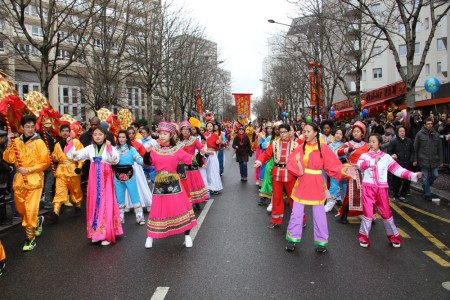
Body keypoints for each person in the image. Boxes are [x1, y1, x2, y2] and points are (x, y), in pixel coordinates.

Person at [285, 123, 355, 253]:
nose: (305, 133)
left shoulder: (323, 148)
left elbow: (333, 165)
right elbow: (291, 162)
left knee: (319, 214)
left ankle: (321, 241)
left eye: (308, 131)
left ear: (316, 132)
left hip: (317, 183)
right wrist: (297, 167)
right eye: (304, 131)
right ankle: (292, 239)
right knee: (297, 213)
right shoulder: (300, 147)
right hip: (302, 182)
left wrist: (345, 170)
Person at [357, 134, 421, 248]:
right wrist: (372, 162)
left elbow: (398, 170)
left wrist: (414, 175)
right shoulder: (364, 155)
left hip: (382, 189)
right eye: (370, 142)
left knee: (386, 213)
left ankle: (393, 237)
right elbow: (360, 166)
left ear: (380, 144)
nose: (371, 144)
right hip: (368, 188)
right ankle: (363, 236)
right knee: (367, 213)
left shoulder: (386, 157)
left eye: (374, 142)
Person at [144, 122, 198, 249]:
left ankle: (187, 236)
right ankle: (150, 237)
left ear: (171, 135)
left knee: (181, 208)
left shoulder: (177, 149)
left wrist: (202, 154)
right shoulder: (154, 149)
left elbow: (190, 159)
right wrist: (146, 152)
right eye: (160, 133)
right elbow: (147, 163)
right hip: (159, 185)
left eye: (165, 134)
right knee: (156, 210)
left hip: (174, 184)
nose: (162, 136)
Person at [3, 116, 50, 251]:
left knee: (30, 210)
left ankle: (30, 238)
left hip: (34, 180)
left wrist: (29, 169)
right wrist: (9, 143)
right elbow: (9, 158)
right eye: (27, 127)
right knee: (21, 209)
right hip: (19, 181)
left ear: (35, 127)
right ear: (22, 128)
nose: (30, 129)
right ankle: (37, 221)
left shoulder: (39, 143)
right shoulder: (16, 141)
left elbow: (45, 162)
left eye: (32, 126)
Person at [73, 126, 122, 246]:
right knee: (95, 203)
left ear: (104, 135)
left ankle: (106, 234)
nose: (98, 136)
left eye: (100, 134)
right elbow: (76, 156)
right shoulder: (90, 148)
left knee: (106, 203)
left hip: (105, 179)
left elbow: (115, 160)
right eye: (95, 134)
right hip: (94, 180)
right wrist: (69, 145)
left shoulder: (109, 147)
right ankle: (96, 233)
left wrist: (110, 148)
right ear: (93, 136)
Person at [254, 124, 298, 229]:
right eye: (280, 132)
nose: (282, 134)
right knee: (277, 197)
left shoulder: (296, 145)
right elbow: (266, 154)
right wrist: (259, 161)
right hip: (277, 173)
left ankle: (300, 219)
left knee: (293, 197)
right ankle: (275, 220)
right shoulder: (274, 144)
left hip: (290, 174)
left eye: (284, 132)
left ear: (289, 132)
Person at [46, 124, 84, 223]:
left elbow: (82, 155)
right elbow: (55, 157)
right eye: (63, 131)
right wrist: (52, 156)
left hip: (73, 171)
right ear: (60, 132)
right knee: (59, 191)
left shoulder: (76, 142)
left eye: (66, 131)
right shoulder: (57, 144)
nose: (65, 133)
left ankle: (78, 206)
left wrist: (79, 167)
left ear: (69, 132)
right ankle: (55, 212)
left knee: (76, 190)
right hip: (61, 171)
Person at [337, 121, 369, 224]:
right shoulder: (348, 144)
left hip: (364, 172)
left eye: (358, 131)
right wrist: (349, 149)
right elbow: (339, 152)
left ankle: (368, 215)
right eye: (354, 131)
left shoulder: (367, 145)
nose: (355, 133)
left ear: (362, 133)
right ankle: (344, 215)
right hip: (352, 171)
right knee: (350, 194)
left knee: (365, 194)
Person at [115, 130, 147, 225]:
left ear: (127, 138)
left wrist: (143, 162)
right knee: (119, 197)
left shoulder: (131, 149)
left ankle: (140, 217)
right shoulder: (114, 149)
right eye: (119, 137)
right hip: (117, 175)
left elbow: (138, 158)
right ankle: (120, 218)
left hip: (129, 173)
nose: (121, 139)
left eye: (123, 137)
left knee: (134, 195)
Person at [179, 121, 209, 210]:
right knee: (184, 185)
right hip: (181, 165)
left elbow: (201, 148)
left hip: (192, 164)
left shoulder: (194, 140)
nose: (185, 131)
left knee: (193, 184)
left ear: (189, 130)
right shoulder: (177, 141)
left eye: (186, 129)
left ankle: (196, 202)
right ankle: (186, 202)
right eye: (183, 129)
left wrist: (204, 152)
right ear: (181, 131)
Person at [413, 118, 443, 201]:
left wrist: (441, 160)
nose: (430, 125)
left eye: (431, 123)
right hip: (423, 159)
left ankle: (425, 186)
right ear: (425, 125)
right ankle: (427, 194)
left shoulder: (436, 134)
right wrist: (415, 159)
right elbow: (415, 148)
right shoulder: (419, 134)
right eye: (428, 123)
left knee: (435, 175)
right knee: (425, 178)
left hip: (434, 159)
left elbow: (440, 148)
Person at [125, 127, 152, 212]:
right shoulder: (122, 145)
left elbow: (145, 156)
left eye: (133, 133)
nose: (131, 135)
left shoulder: (138, 145)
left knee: (141, 184)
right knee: (126, 186)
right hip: (126, 167)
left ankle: (148, 203)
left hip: (137, 167)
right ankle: (127, 204)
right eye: (129, 133)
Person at [388, 126, 414, 202]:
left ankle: (403, 195)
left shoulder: (409, 141)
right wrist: (393, 155)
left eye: (403, 131)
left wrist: (412, 160)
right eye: (400, 131)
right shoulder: (393, 141)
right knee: (397, 181)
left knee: (407, 181)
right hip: (398, 164)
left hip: (407, 164)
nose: (402, 133)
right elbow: (389, 152)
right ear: (397, 132)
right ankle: (396, 195)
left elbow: (412, 151)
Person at [325, 128, 348, 211]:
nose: (338, 135)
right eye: (337, 133)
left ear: (343, 136)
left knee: (345, 186)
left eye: (340, 134)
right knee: (333, 186)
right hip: (333, 169)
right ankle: (330, 203)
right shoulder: (329, 145)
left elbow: (348, 157)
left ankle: (346, 203)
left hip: (344, 168)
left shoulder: (345, 146)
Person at [204, 122, 223, 194]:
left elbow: (218, 147)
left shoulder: (215, 135)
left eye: (211, 126)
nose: (209, 127)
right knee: (206, 171)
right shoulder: (204, 135)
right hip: (206, 155)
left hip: (213, 154)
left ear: (213, 127)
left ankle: (215, 188)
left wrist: (218, 143)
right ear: (206, 127)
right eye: (208, 126)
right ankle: (208, 187)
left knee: (214, 170)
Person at [0, 130, 13, 225]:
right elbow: (1, 162)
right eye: (3, 137)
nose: (4, 139)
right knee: (1, 197)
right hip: (1, 177)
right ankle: (2, 219)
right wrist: (9, 168)